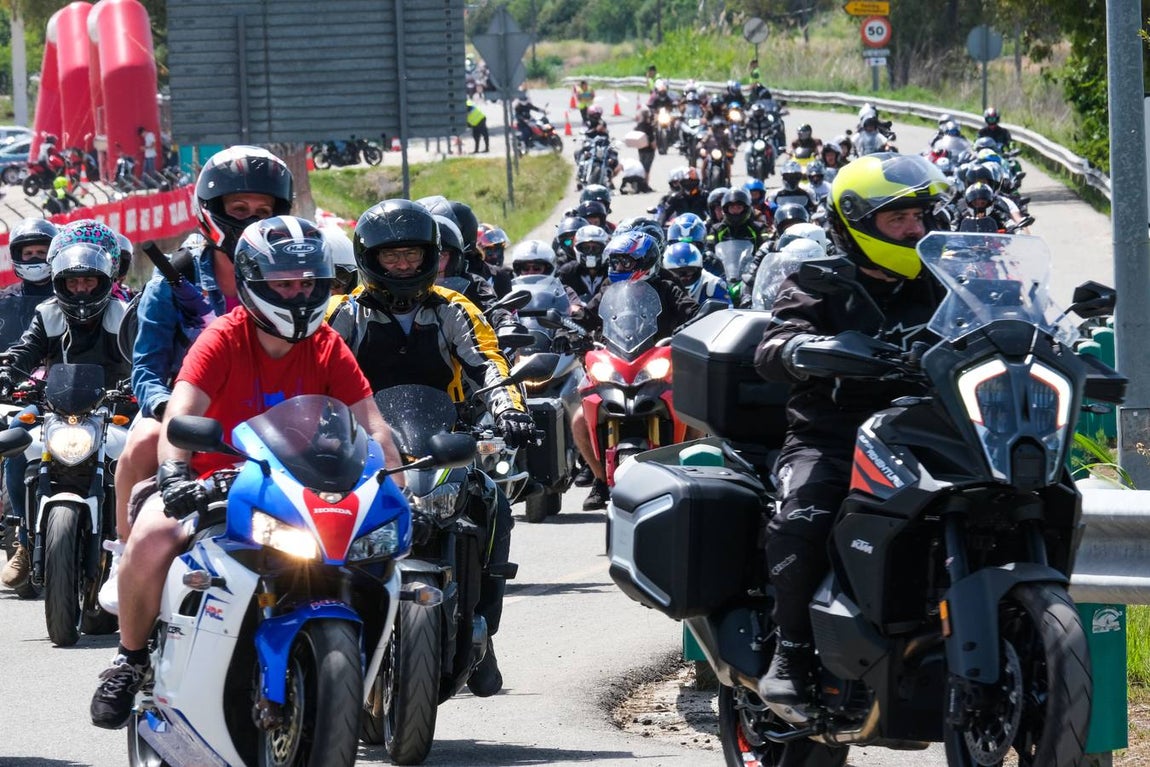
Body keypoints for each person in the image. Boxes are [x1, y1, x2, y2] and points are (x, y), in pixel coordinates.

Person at [88, 215, 404, 730]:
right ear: (254, 284)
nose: (298, 295)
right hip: (214, 481)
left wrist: (396, 486)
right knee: (149, 538)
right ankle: (129, 657)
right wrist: (173, 475)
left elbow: (374, 427)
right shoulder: (222, 337)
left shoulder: (326, 343)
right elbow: (180, 414)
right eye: (284, 284)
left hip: (303, 489)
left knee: (378, 562)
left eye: (308, 283)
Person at [752, 153, 949, 713]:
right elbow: (773, 345)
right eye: (899, 219)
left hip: (930, 433)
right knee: (803, 514)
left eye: (919, 216)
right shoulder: (818, 282)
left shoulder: (943, 279)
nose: (915, 229)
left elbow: (997, 314)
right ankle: (788, 652)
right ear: (858, 224)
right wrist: (808, 349)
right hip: (835, 436)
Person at [329, 198, 535, 697]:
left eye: (413, 256)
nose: (402, 266)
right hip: (365, 448)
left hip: (443, 442)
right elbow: (317, 371)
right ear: (369, 260)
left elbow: (488, 360)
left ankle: (483, 629)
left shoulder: (452, 308)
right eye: (391, 257)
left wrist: (510, 407)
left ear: (432, 257)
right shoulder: (344, 312)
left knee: (492, 505)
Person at [100, 146, 293, 615]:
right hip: (190, 413)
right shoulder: (174, 278)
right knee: (142, 442)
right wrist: (170, 410)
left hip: (274, 412)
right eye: (239, 209)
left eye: (262, 211)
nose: (250, 219)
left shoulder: (290, 275)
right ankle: (127, 554)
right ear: (212, 211)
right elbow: (145, 367)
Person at [0, 229, 130, 592]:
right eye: (73, 283)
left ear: (104, 280)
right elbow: (27, 350)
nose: (81, 290)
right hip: (56, 405)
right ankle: (23, 540)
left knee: (140, 452)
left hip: (115, 406)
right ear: (60, 282)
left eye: (89, 281)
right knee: (18, 434)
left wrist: (141, 383)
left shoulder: (123, 314)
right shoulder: (47, 313)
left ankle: (131, 542)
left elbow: (142, 358)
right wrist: (8, 373)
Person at [571, 231, 698, 510]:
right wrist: (574, 321)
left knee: (695, 414)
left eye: (624, 263)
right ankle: (600, 479)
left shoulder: (667, 285)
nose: (618, 269)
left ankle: (691, 474)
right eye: (615, 263)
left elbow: (692, 310)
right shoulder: (609, 286)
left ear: (645, 261)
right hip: (617, 362)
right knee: (579, 419)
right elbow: (590, 314)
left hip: (659, 363)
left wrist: (694, 324)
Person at [0, 219, 58, 300]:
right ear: (17, 256)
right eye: (28, 253)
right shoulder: (6, 298)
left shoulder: (68, 292)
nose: (34, 258)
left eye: (41, 252)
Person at [663, 242, 729, 306]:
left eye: (689, 271)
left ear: (699, 269)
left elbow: (727, 313)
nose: (683, 277)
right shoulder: (660, 287)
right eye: (677, 273)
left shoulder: (713, 285)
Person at [560, 224, 611, 303]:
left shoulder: (612, 272)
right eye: (586, 248)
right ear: (577, 248)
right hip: (576, 315)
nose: (590, 253)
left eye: (596, 248)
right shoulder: (567, 272)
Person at [634, 107, 657, 192]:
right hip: (649, 150)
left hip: (641, 149)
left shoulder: (638, 126)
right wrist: (654, 147)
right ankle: (645, 185)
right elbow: (652, 140)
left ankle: (641, 185)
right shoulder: (649, 127)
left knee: (642, 167)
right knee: (647, 169)